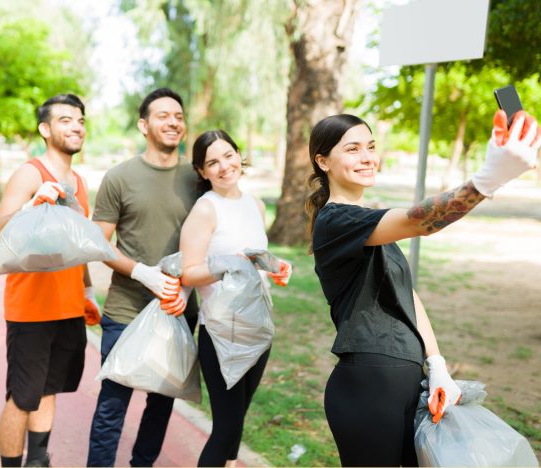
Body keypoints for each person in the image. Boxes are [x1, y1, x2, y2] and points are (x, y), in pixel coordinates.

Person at [306, 110, 540, 466]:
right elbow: (422, 221)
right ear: (322, 161)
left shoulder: (368, 221)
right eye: (352, 149)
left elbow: (407, 296)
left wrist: (438, 365)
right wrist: (487, 180)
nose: (367, 156)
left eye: (370, 146)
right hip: (368, 387)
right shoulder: (336, 220)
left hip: (407, 382)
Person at [87, 87, 200, 467]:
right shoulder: (119, 177)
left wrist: (185, 286)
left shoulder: (198, 178)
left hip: (178, 310)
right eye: (163, 115)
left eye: (179, 116)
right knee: (111, 406)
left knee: (161, 404)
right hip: (126, 310)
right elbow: (98, 243)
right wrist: (142, 273)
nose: (173, 122)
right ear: (143, 124)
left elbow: (212, 239)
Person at [0, 93, 100, 467]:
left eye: (81, 121)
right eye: (66, 120)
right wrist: (29, 204)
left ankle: (38, 461)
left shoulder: (80, 182)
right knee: (22, 396)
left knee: (49, 389)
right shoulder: (30, 173)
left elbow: (79, 244)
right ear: (45, 129)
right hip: (30, 310)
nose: (76, 127)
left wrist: (87, 292)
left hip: (68, 307)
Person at [176, 130, 291, 467]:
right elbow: (189, 273)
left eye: (228, 155)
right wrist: (231, 264)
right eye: (213, 162)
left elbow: (256, 262)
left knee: (237, 423)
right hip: (222, 334)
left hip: (258, 329)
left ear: (239, 154)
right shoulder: (206, 210)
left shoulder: (254, 204)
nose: (224, 166)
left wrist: (276, 269)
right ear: (202, 171)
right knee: (225, 429)